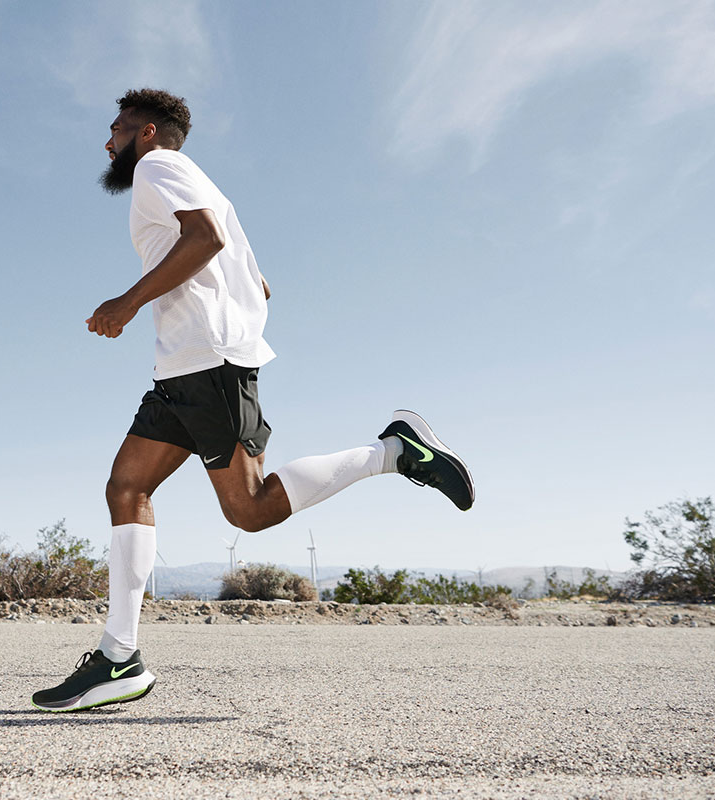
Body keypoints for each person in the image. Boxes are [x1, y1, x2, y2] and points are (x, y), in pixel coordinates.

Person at [31, 89, 474, 712]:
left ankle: (395, 451)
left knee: (250, 509)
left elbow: (206, 240)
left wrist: (128, 303)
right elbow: (259, 282)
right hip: (186, 365)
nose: (107, 142)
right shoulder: (207, 186)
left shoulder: (158, 168)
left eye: (116, 129)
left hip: (207, 363)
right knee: (126, 488)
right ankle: (118, 657)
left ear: (147, 132)